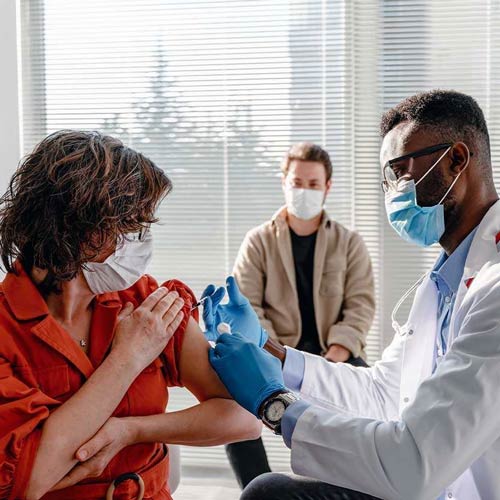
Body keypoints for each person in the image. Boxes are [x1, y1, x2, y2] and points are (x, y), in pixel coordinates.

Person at [205, 90, 500, 500]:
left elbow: (413, 466)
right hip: (428, 479)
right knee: (268, 490)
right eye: (387, 178)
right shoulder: (443, 283)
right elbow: (383, 392)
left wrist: (275, 404)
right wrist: (270, 351)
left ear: (456, 159)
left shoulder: (495, 288)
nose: (394, 191)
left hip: (436, 481)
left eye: (400, 171)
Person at [0, 130, 260, 500]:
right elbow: (29, 479)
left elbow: (244, 418)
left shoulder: (145, 302)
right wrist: (129, 356)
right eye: (130, 226)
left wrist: (132, 430)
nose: (141, 241)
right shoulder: (6, 328)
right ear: (74, 227)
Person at [219, 142, 375, 488]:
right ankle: (259, 490)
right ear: (284, 182)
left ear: (327, 187)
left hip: (336, 356)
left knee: (376, 406)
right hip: (274, 354)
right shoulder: (257, 241)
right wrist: (280, 357)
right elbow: (249, 307)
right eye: (297, 182)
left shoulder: (349, 243)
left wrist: (332, 359)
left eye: (313, 184)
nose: (304, 191)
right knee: (232, 405)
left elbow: (360, 305)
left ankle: (349, 489)